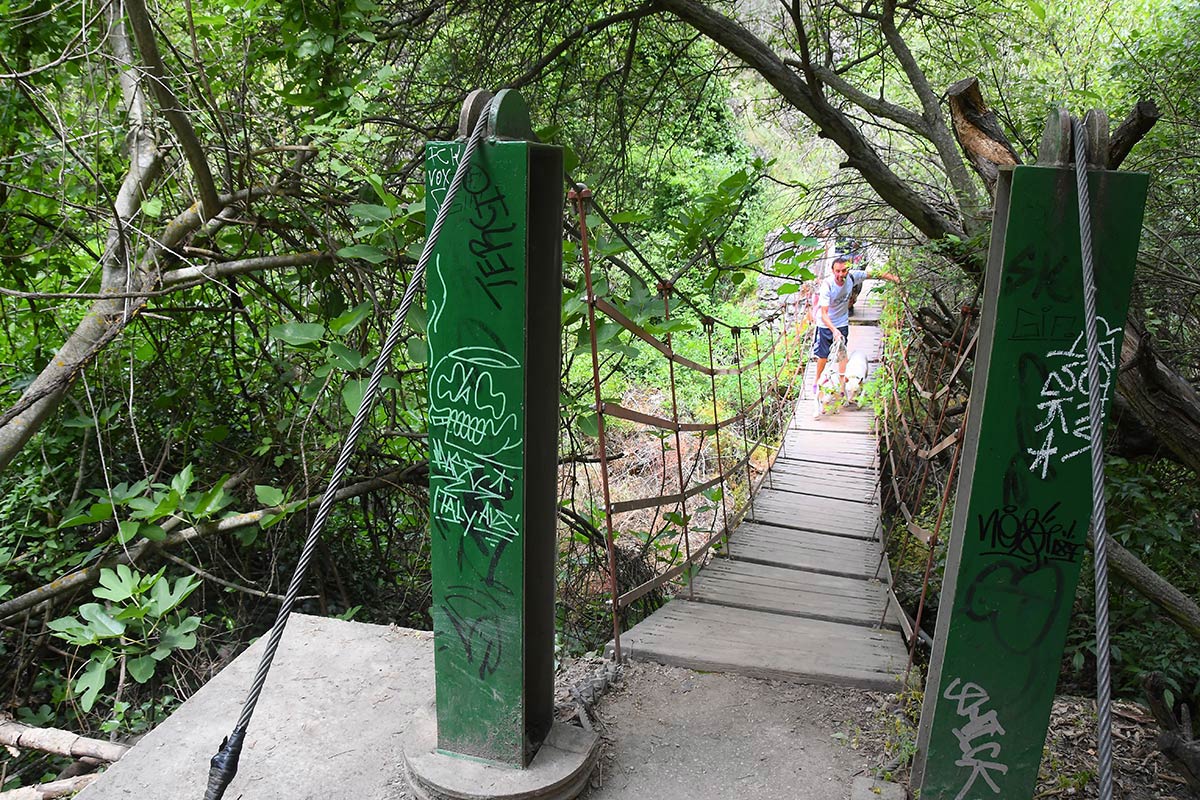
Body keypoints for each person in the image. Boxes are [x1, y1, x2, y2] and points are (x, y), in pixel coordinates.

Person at [811, 257, 897, 404]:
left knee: (842, 353)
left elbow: (874, 274)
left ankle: (842, 386)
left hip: (842, 321)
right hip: (825, 323)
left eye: (844, 270)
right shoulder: (828, 285)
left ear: (848, 270)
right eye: (837, 271)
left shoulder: (852, 277)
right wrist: (834, 330)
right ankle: (817, 381)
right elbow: (824, 313)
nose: (841, 274)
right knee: (823, 355)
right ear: (832, 271)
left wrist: (894, 278)